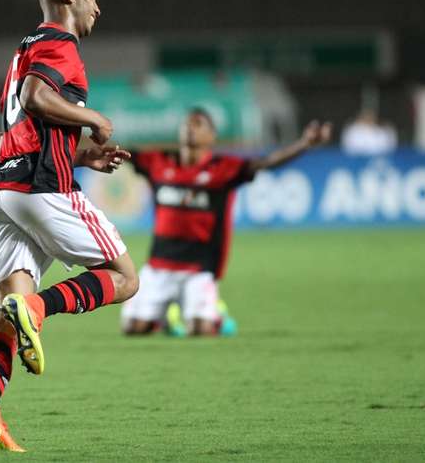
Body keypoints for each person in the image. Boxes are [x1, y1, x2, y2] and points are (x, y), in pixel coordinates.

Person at [0, 0, 139, 452]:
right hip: (40, 190)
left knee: (6, 313)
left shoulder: (26, 47)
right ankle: (37, 308)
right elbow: (35, 99)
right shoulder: (61, 45)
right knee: (125, 278)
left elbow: (27, 124)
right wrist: (93, 119)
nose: (97, 7)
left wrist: (80, 153)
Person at [122, 107, 331, 336]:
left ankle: (218, 316)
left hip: (198, 269)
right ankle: (166, 318)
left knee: (201, 330)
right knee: (133, 329)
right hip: (158, 266)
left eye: (198, 123)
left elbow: (266, 162)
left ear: (211, 136)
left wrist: (304, 144)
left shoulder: (223, 168)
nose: (190, 128)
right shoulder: (158, 161)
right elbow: (117, 152)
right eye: (188, 123)